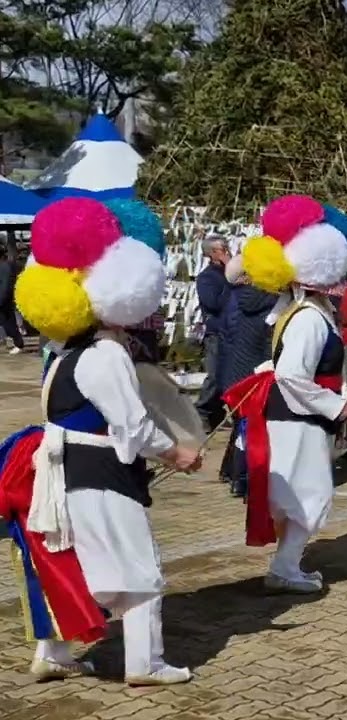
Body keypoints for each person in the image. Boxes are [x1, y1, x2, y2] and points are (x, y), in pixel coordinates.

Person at [4, 196, 201, 685]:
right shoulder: (105, 353)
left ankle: (52, 654)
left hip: (67, 469)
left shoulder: (62, 349)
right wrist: (177, 452)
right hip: (99, 472)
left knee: (82, 565)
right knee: (140, 571)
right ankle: (146, 664)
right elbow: (132, 426)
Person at [223, 195, 347, 594]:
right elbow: (292, 376)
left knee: (299, 492)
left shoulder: (298, 311)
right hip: (298, 419)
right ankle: (284, 568)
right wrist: (338, 406)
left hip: (296, 416)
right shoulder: (309, 319)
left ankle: (286, 564)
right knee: (308, 493)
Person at [215, 254, 276, 498]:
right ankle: (241, 478)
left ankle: (232, 473)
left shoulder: (234, 300)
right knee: (249, 429)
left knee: (242, 427)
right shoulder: (267, 301)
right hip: (253, 373)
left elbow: (226, 336)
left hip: (235, 369)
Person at [195, 235, 232, 429]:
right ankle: (202, 411)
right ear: (211, 254)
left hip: (233, 331)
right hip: (217, 332)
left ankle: (217, 412)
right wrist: (229, 279)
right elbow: (214, 303)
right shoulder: (207, 278)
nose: (226, 251)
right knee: (215, 375)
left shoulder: (232, 273)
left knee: (229, 375)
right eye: (221, 249)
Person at [0, 245, 25, 354]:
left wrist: (2, 299)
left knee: (9, 324)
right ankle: (17, 342)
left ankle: (19, 344)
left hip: (3, 300)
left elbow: (6, 286)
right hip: (3, 298)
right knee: (7, 323)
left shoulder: (5, 267)